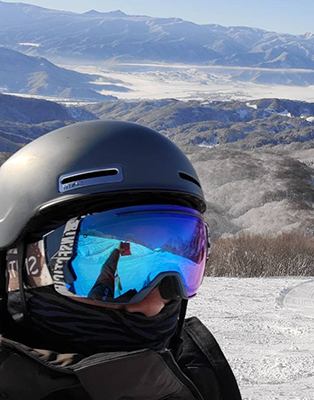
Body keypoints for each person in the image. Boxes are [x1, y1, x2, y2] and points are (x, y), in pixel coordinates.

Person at [0, 121, 242, 400]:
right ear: (15, 270)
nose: (153, 307)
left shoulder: (198, 374)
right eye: (82, 275)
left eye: (183, 267)